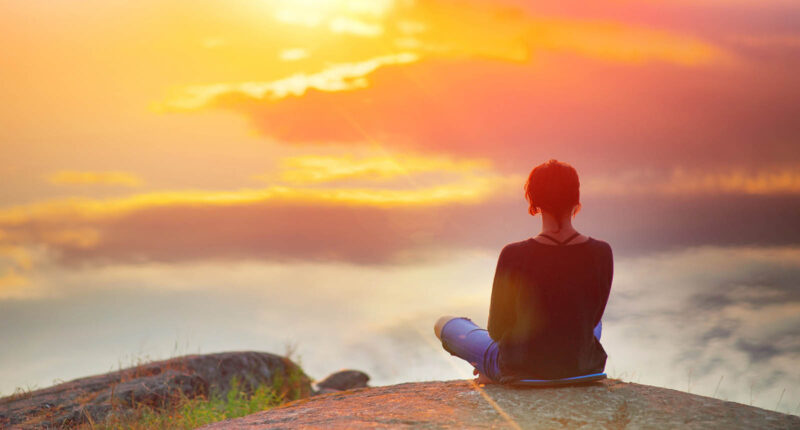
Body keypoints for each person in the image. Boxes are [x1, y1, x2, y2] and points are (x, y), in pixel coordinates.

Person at [433, 159, 613, 384]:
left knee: (444, 324)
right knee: (593, 324)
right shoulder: (602, 252)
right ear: (576, 200)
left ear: (534, 201)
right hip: (582, 367)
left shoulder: (514, 255)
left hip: (522, 368)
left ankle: (491, 371)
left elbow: (497, 331)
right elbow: (594, 317)